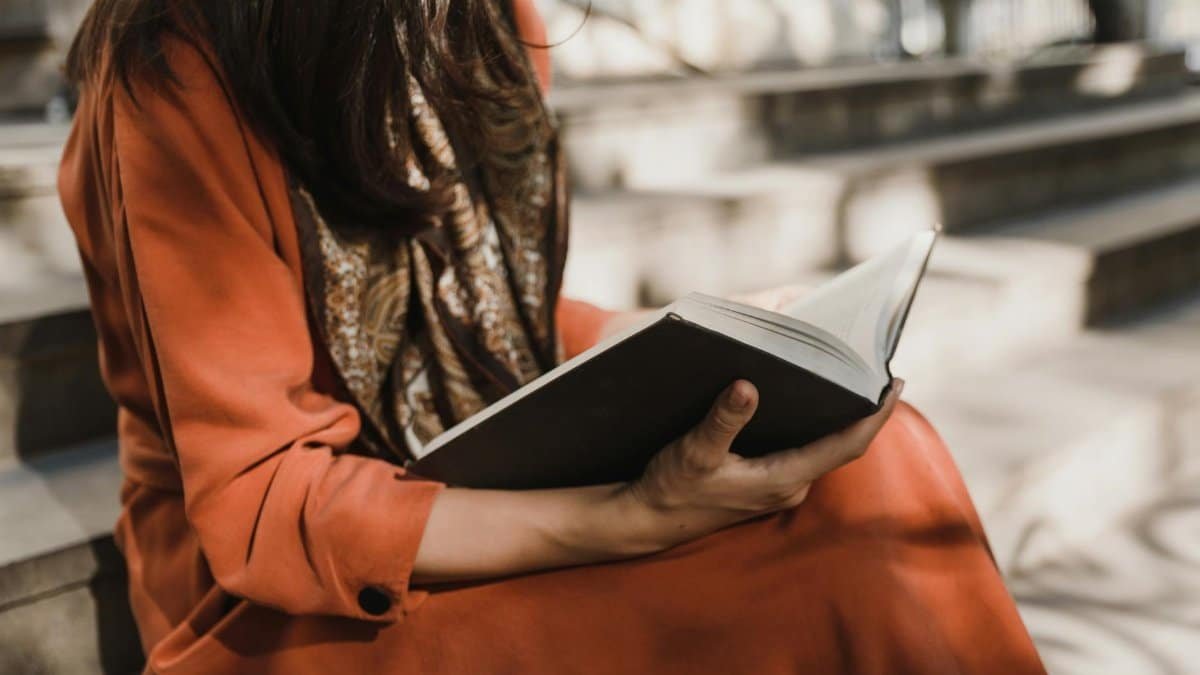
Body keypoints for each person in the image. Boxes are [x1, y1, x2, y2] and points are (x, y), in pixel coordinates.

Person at [58, 1, 1046, 672]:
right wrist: (623, 519)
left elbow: (479, 310)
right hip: (287, 611)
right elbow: (266, 501)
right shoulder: (178, 63)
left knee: (883, 466)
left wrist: (687, 339)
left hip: (480, 477)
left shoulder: (488, 21)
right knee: (843, 564)